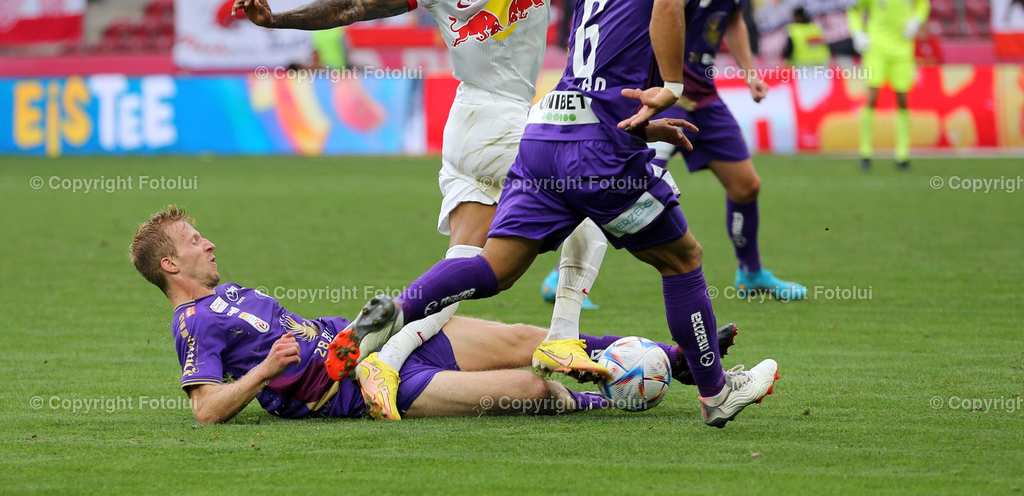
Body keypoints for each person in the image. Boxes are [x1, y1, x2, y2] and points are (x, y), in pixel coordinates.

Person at [339, 0, 779, 429]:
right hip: (593, 150)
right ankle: (716, 391)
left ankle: (399, 309)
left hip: (547, 131)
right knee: (683, 259)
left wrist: (639, 125)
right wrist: (670, 89)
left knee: (495, 267)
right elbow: (668, 6)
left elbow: (592, 71)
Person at [234, 0, 650, 417]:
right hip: (484, 119)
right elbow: (356, 5)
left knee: (463, 265)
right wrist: (276, 21)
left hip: (488, 127)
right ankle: (562, 335)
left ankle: (384, 358)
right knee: (591, 195)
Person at [130, 206, 738, 422]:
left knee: (528, 335)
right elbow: (206, 410)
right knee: (531, 387)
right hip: (358, 390)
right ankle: (613, 393)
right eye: (193, 241)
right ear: (170, 268)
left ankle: (681, 361)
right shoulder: (194, 324)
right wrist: (263, 374)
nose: (207, 244)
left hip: (372, 341)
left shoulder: (227, 292)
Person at [647, 0, 807, 302]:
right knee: (625, 189)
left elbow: (733, 16)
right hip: (664, 94)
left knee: (746, 185)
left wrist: (750, 69)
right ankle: (565, 281)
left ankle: (751, 273)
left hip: (704, 93)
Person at [848, 0, 930, 170]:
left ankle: (902, 154)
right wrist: (858, 34)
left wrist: (916, 20)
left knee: (903, 99)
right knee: (872, 97)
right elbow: (855, 11)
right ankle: (865, 153)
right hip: (876, 49)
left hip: (903, 49)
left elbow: (923, 3)